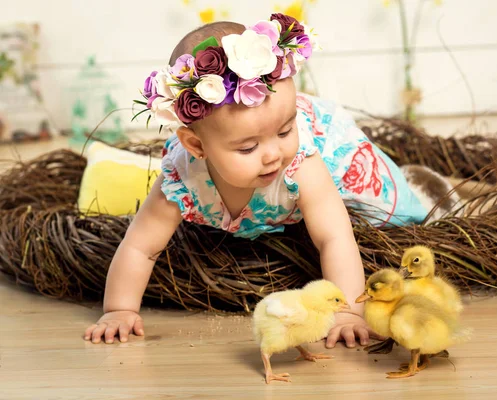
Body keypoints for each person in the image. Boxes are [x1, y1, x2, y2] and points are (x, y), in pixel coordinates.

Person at [84, 14, 458, 349]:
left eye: (283, 132)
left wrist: (347, 313)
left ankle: (422, 184)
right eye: (247, 148)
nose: (271, 155)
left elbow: (334, 237)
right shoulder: (182, 178)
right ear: (197, 145)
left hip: (331, 152)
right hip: (241, 144)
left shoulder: (300, 159)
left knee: (387, 205)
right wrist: (119, 309)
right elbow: (139, 247)